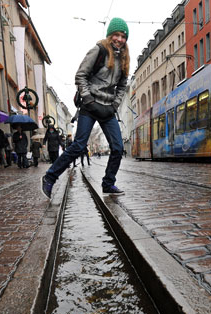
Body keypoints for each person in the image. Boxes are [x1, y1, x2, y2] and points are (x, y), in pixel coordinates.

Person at [42, 17, 130, 198]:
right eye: (116, 35)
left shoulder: (124, 59)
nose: (119, 39)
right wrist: (88, 99)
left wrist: (114, 105)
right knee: (79, 145)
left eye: (123, 36)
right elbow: (80, 75)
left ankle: (108, 183)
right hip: (90, 106)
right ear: (110, 35)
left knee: (117, 147)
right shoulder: (98, 50)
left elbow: (122, 86)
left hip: (107, 109)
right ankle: (50, 177)